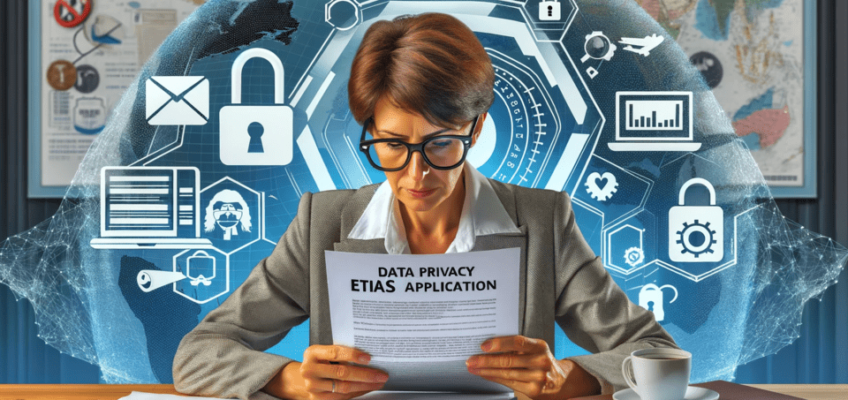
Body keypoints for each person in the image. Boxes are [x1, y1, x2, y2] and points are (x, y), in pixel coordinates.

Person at [173, 12, 679, 400]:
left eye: (440, 144)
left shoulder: (541, 221)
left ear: (475, 129)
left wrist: (567, 378)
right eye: (392, 145)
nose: (417, 175)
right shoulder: (322, 224)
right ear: (368, 131)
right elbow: (196, 356)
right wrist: (290, 379)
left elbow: (658, 353)